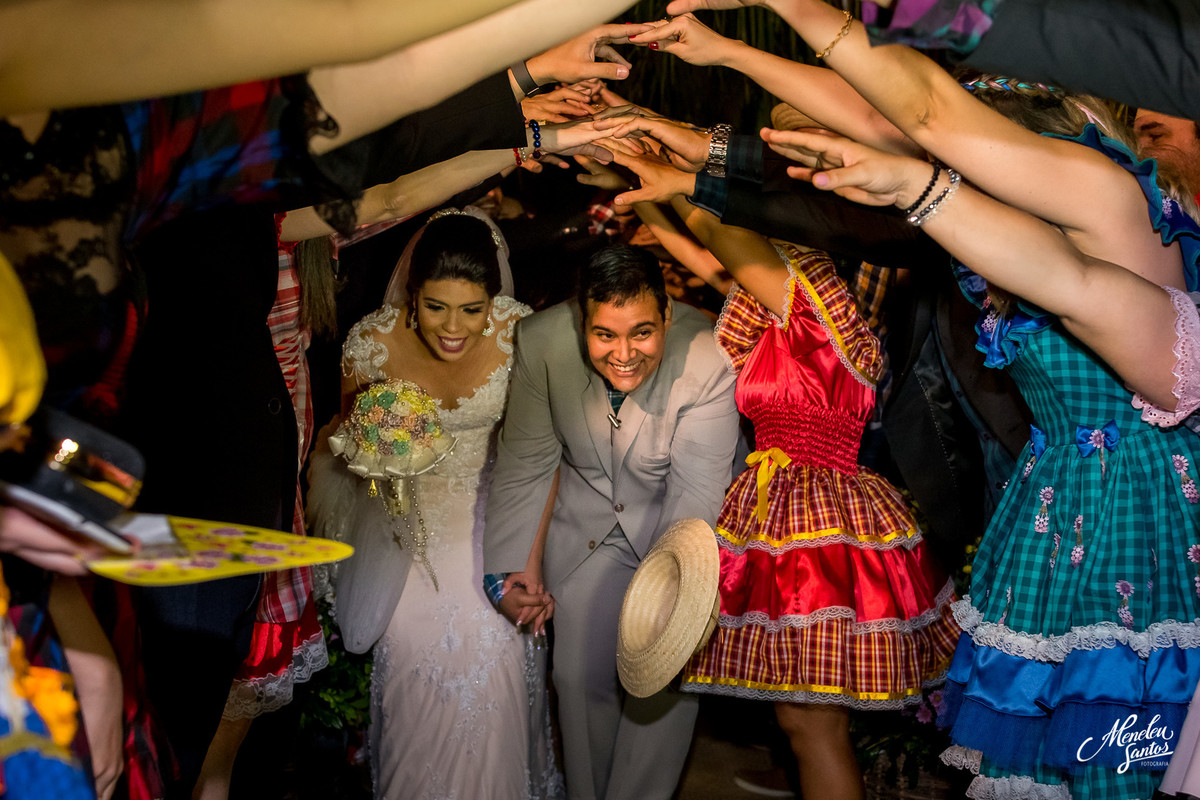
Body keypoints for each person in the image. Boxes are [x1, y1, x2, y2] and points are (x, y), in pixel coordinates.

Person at [651, 1, 1200, 797]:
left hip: (1139, 509)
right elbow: (892, 126)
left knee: (1116, 758)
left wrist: (792, 12)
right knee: (1042, 759)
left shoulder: (1099, 193)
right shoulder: (1045, 210)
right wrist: (729, 49)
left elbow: (926, 118)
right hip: (1057, 501)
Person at [607, 145, 961, 800]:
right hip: (779, 507)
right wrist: (638, 185)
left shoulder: (820, 310)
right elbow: (697, 251)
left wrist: (670, 176)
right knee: (800, 717)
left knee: (811, 719)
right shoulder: (783, 316)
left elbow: (715, 230)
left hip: (818, 517)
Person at [308, 207, 562, 800]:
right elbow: (346, 452)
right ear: (411, 294)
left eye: (472, 309)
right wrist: (373, 451)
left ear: (494, 300)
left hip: (496, 537)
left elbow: (537, 461)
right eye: (435, 307)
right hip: (401, 545)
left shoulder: (520, 333)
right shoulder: (369, 344)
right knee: (411, 687)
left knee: (497, 678)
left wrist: (528, 561)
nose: (454, 327)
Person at [483, 244, 739, 800]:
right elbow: (527, 460)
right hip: (585, 536)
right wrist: (510, 570)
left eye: (643, 333)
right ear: (581, 319)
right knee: (574, 682)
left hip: (677, 539)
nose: (624, 354)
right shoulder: (540, 340)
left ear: (667, 316)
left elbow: (694, 498)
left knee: (661, 691)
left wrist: (668, 605)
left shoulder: (711, 358)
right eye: (604, 336)